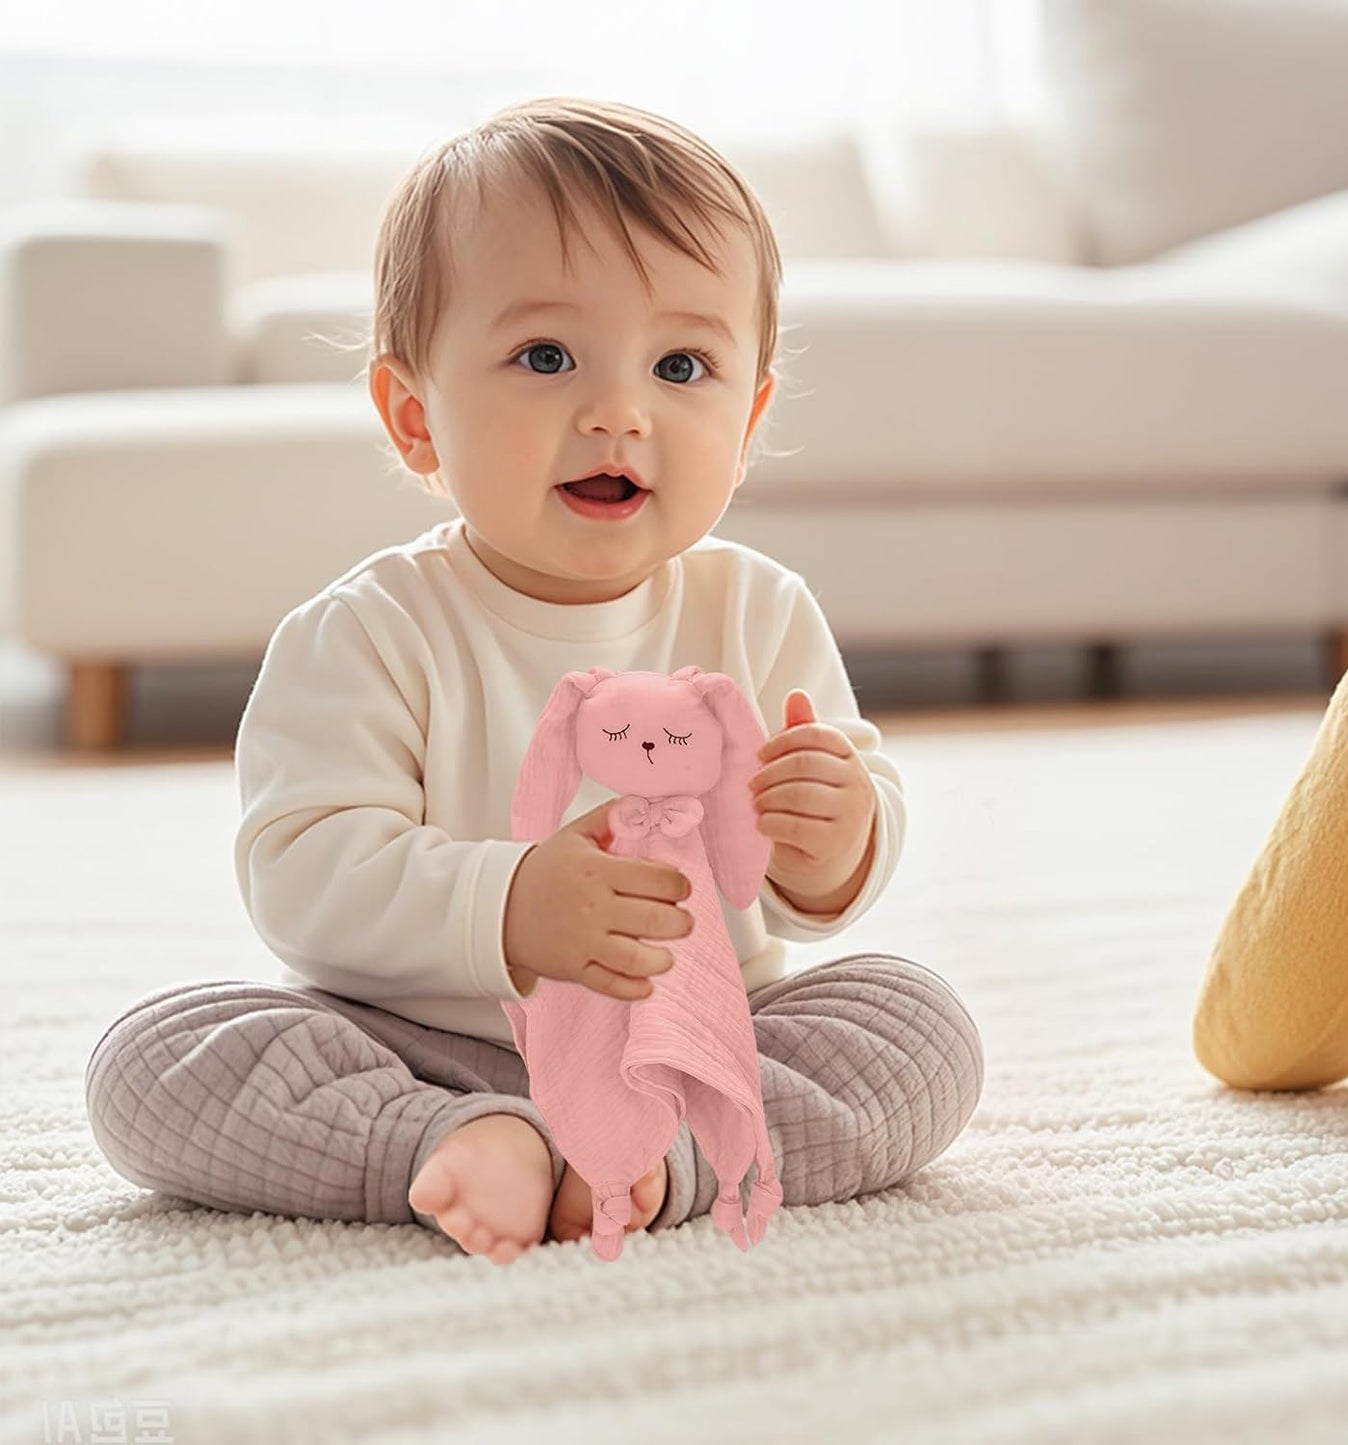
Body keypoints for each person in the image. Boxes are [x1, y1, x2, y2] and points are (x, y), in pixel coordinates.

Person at [84, 97, 985, 1266]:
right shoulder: (367, 631)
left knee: (918, 1025)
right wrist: (508, 906)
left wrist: (836, 839)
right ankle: (458, 1140)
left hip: (695, 1033)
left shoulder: (757, 611)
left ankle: (672, 1153)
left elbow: (813, 871)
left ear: (749, 415)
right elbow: (299, 873)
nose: (618, 411)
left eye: (680, 364)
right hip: (420, 1038)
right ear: (415, 418)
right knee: (155, 1060)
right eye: (545, 356)